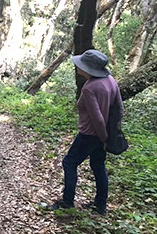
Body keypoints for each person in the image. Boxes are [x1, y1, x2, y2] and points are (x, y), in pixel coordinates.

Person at [49, 49, 123, 215]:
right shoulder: (111, 80)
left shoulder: (89, 88)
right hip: (102, 135)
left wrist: (104, 138)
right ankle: (100, 205)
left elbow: (96, 118)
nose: (77, 66)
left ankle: (67, 202)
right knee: (98, 165)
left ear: (89, 69)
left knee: (69, 163)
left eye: (81, 64)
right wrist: (111, 135)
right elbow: (120, 109)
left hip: (89, 134)